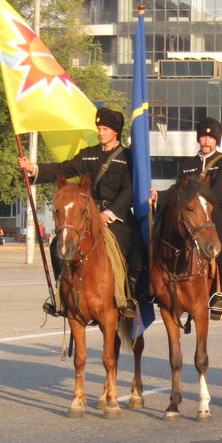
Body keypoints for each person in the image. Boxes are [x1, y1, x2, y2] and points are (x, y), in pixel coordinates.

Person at [19, 108, 142, 318]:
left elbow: (129, 190)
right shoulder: (89, 154)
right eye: (99, 128)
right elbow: (63, 168)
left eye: (105, 129)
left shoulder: (128, 157)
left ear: (115, 132)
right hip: (87, 214)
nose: (101, 133)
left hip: (115, 215)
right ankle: (61, 296)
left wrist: (109, 214)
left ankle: (129, 298)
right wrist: (34, 169)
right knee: (57, 245)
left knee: (137, 250)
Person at [151, 117, 222, 318]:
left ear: (217, 141)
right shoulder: (189, 164)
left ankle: (220, 293)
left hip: (217, 207)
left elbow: (221, 190)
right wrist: (159, 196)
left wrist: (199, 199)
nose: (206, 141)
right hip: (191, 209)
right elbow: (177, 188)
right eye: (203, 137)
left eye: (210, 138)